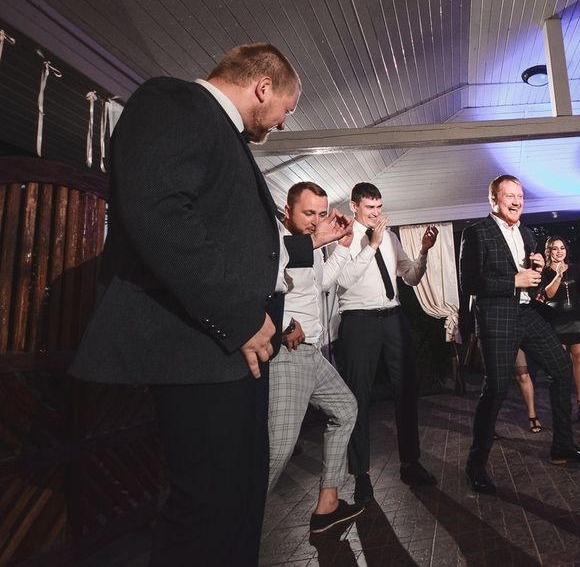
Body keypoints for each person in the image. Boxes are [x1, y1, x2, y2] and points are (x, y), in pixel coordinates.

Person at [70, 43, 300, 566]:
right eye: (286, 108)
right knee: (208, 507)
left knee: (241, 497)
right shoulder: (172, 101)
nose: (284, 122)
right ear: (263, 86)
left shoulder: (223, 134)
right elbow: (158, 211)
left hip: (232, 347)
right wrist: (241, 318)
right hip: (199, 346)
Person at [459, 174, 580, 494]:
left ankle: (562, 446)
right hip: (497, 318)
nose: (517, 201)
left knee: (562, 368)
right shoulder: (476, 232)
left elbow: (531, 279)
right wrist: (514, 280)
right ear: (493, 199)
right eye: (509, 195)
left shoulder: (526, 233)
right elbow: (469, 283)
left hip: (527, 314)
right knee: (496, 389)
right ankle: (475, 466)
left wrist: (537, 268)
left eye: (520, 196)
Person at [331, 182, 439, 504]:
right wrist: (371, 246)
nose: (376, 213)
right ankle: (361, 475)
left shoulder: (391, 237)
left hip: (393, 318)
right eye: (370, 208)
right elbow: (342, 281)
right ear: (354, 207)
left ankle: (411, 463)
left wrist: (423, 251)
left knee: (406, 389)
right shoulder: (343, 238)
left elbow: (411, 276)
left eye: (379, 207)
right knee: (358, 396)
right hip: (358, 321)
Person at [269, 182, 364, 534]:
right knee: (278, 449)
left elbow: (321, 285)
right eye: (308, 213)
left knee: (346, 410)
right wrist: (281, 325)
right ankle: (233, 527)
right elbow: (258, 288)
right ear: (287, 211)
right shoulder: (275, 243)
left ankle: (328, 505)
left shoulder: (315, 246)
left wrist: (342, 246)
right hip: (288, 354)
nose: (315, 221)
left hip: (314, 353)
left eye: (321, 214)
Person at [538, 237, 580, 421]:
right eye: (555, 249)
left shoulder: (576, 268)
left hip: (576, 317)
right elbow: (547, 294)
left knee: (579, 357)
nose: (559, 251)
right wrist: (558, 275)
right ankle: (562, 403)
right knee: (561, 364)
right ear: (549, 251)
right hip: (556, 320)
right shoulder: (544, 271)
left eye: (562, 248)